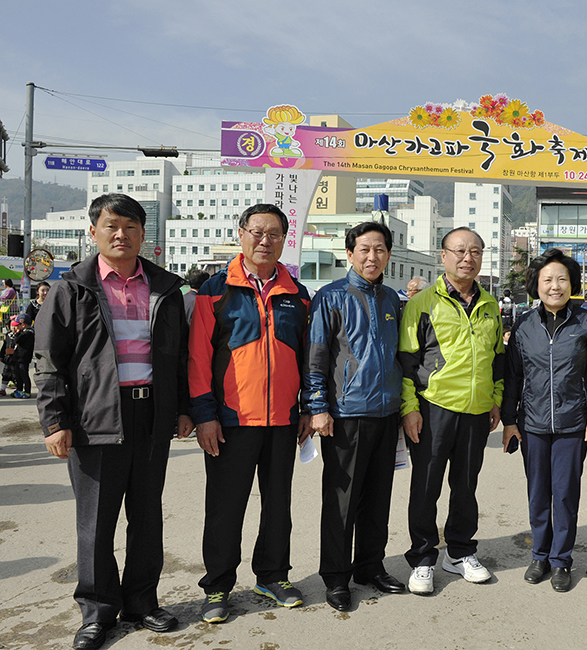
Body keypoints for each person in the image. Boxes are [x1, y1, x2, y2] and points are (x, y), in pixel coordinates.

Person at [34, 193, 192, 650]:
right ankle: (97, 611)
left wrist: (181, 408)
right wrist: (54, 421)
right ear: (93, 232)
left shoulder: (165, 286)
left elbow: (178, 358)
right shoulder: (72, 288)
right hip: (93, 417)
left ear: (144, 234)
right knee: (96, 520)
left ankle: (142, 601)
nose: (120, 234)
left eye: (130, 226)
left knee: (147, 515)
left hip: (151, 416)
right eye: (111, 226)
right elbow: (48, 361)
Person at [189, 204, 311, 623]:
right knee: (225, 506)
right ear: (241, 233)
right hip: (229, 421)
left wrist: (307, 411)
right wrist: (205, 415)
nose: (265, 240)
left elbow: (310, 357)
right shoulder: (215, 290)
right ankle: (218, 585)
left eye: (274, 233)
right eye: (257, 231)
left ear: (284, 239)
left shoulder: (297, 293)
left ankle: (273, 575)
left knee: (279, 503)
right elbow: (198, 359)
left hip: (282, 420)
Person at [300, 221, 406, 612]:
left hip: (386, 412)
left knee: (378, 498)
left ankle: (370, 567)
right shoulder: (330, 297)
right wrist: (318, 408)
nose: (372, 256)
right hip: (345, 414)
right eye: (364, 249)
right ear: (350, 254)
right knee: (342, 500)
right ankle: (336, 577)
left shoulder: (393, 300)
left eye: (379, 249)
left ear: (388, 255)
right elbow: (316, 357)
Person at [398, 226, 504, 595]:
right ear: (442, 256)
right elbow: (407, 362)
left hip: (476, 410)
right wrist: (410, 408)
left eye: (475, 251)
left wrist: (496, 399)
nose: (467, 258)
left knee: (466, 485)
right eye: (459, 251)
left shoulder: (491, 304)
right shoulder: (422, 303)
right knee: (426, 486)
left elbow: (498, 359)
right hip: (433, 408)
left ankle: (459, 552)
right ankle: (424, 557)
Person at [501, 248, 587, 593]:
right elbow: (513, 376)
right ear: (536, 285)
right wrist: (509, 420)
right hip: (532, 424)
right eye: (548, 280)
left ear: (572, 284)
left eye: (562, 279)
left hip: (572, 424)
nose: (555, 286)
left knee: (564, 494)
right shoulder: (523, 325)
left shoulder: (586, 322)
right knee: (538, 493)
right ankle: (539, 555)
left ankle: (561, 560)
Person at [9, 313, 35, 398]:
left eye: (17, 326)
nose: (16, 328)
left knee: (24, 374)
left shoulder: (28, 333)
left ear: (23, 325)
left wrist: (17, 333)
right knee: (18, 375)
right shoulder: (24, 332)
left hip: (24, 358)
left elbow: (17, 340)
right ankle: (19, 389)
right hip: (18, 357)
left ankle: (27, 391)